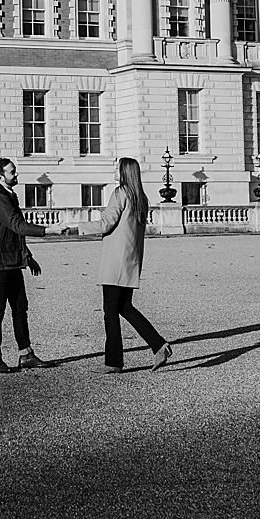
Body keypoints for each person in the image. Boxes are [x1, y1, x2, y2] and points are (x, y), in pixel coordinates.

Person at [0, 158, 63, 373]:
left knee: (20, 308)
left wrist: (28, 256)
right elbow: (16, 225)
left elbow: (14, 232)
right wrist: (47, 231)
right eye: (12, 172)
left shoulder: (8, 194)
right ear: (0, 177)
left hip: (11, 261)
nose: (16, 175)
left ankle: (26, 354)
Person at [95, 157, 172, 373]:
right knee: (125, 307)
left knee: (110, 312)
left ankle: (114, 362)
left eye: (117, 167)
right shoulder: (141, 197)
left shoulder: (120, 193)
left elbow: (107, 223)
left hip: (115, 263)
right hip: (130, 261)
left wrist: (78, 226)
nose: (115, 170)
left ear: (124, 172)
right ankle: (159, 345)